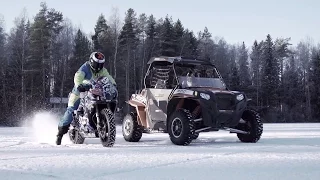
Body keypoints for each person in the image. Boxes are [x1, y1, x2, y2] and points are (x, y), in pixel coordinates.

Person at [56, 51, 116, 145]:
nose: (99, 67)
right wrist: (79, 85)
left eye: (101, 64)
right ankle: (59, 134)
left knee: (108, 101)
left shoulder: (103, 70)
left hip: (95, 92)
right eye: (97, 64)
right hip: (79, 92)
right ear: (92, 61)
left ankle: (102, 123)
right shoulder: (85, 67)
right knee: (71, 110)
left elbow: (108, 78)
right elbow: (78, 76)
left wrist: (113, 84)